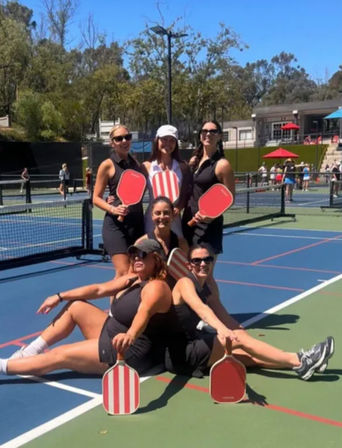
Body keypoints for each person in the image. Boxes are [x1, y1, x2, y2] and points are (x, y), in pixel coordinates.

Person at [0, 240, 171, 377]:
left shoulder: (157, 287)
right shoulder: (133, 278)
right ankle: (30, 352)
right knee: (76, 306)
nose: (136, 258)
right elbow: (99, 289)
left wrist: (130, 335)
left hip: (127, 349)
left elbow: (144, 312)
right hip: (111, 333)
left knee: (60, 354)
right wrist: (59, 297)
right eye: (133, 254)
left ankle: (3, 366)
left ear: (156, 259)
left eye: (142, 254)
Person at [164, 243, 335, 380]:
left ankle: (300, 365)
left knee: (247, 356)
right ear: (189, 265)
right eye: (197, 260)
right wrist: (223, 330)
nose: (203, 264)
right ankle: (300, 359)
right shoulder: (184, 283)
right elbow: (202, 310)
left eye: (207, 259)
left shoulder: (209, 286)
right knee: (239, 343)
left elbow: (225, 317)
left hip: (199, 342)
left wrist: (240, 333)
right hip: (181, 354)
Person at [93, 124, 145, 278]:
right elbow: (96, 198)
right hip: (116, 227)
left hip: (137, 225)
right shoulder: (107, 165)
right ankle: (115, 302)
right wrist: (113, 209)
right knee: (123, 273)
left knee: (136, 272)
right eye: (119, 138)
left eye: (127, 137)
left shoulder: (136, 164)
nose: (124, 141)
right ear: (112, 143)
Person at [182, 120, 235, 257]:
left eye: (213, 131)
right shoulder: (194, 161)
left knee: (205, 274)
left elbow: (230, 198)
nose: (208, 134)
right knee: (189, 271)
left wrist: (211, 216)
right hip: (188, 221)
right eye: (204, 131)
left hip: (208, 227)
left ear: (219, 136)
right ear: (200, 135)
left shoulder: (222, 165)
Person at [143, 125, 192, 237]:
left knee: (174, 252)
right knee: (152, 252)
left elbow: (186, 194)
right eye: (164, 139)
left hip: (174, 222)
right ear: (157, 141)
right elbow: (135, 193)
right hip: (152, 222)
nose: (168, 144)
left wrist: (179, 207)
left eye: (172, 140)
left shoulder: (183, 167)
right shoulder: (146, 167)